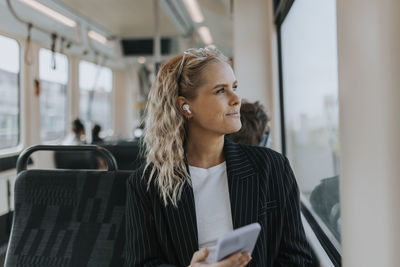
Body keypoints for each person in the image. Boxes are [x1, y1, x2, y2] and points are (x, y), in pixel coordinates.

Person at [125, 47, 313, 266]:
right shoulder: (147, 185)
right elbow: (142, 263)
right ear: (185, 106)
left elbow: (298, 258)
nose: (236, 99)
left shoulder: (272, 167)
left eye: (234, 87)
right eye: (220, 91)